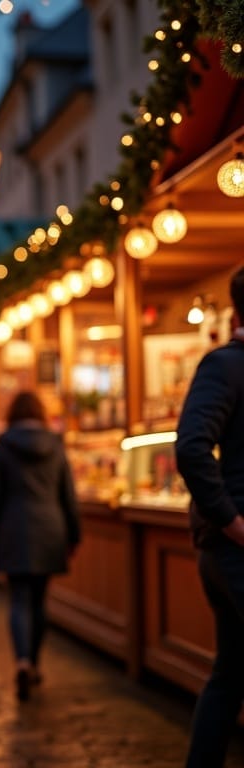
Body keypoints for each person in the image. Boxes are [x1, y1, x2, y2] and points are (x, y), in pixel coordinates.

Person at [177, 266, 244, 767]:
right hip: (234, 548)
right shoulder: (226, 365)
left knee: (232, 672)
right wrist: (233, 521)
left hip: (226, 546)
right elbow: (192, 448)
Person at [0, 391, 79, 701]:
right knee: (40, 599)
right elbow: (68, 493)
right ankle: (34, 662)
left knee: (19, 599)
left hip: (14, 528)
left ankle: (21, 661)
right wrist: (74, 534)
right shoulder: (56, 444)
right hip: (50, 527)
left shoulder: (2, 445)